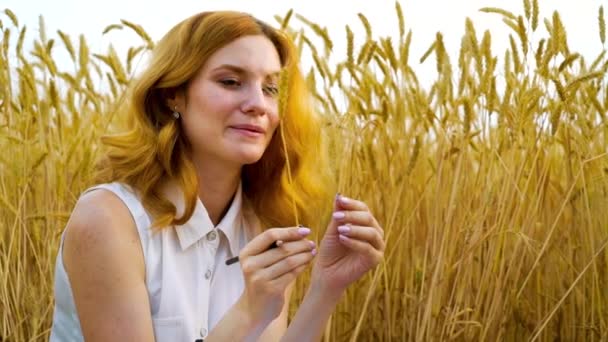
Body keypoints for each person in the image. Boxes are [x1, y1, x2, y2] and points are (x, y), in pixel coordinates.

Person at [50, 10, 385, 342]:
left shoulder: (263, 227)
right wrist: (250, 311)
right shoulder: (109, 220)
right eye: (230, 81)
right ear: (173, 95)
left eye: (270, 89)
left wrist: (326, 287)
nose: (258, 104)